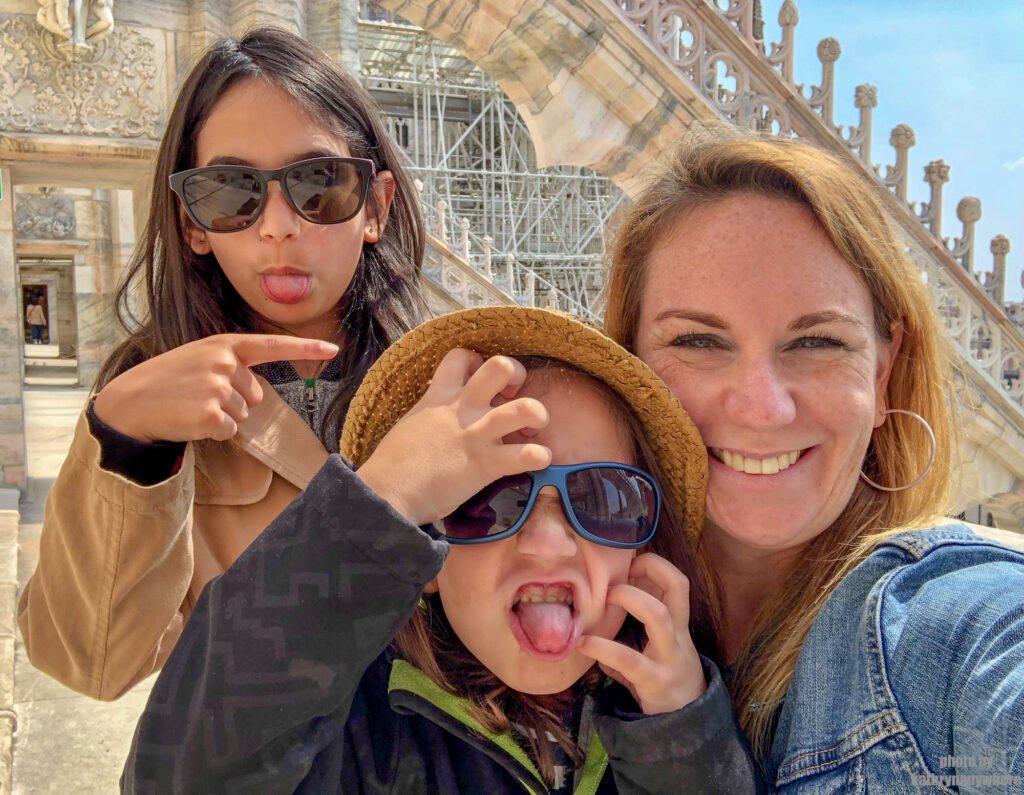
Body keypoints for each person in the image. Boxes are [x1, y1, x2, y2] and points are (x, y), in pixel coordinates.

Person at [122, 305, 764, 793]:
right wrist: (384, 500)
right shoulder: (359, 727)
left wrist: (682, 739)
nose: (548, 544)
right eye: (487, 498)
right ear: (421, 550)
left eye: (603, 499)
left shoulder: (671, 720)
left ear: (642, 552)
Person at [604, 134, 1024, 790]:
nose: (762, 409)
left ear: (882, 373)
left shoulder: (950, 627)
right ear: (624, 363)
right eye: (698, 341)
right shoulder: (551, 600)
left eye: (817, 342)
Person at [18, 27, 426, 701]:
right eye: (232, 192)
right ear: (192, 226)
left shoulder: (445, 381)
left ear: (375, 207)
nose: (277, 225)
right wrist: (128, 440)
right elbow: (89, 663)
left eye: (318, 184)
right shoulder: (154, 400)